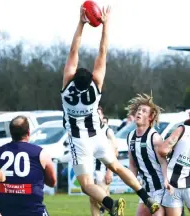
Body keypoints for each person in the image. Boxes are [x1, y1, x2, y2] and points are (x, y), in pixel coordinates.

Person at [61, 6, 159, 215]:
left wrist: (81, 23)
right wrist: (106, 24)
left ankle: (111, 203)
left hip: (79, 142)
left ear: (73, 77)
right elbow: (102, 51)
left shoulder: (67, 87)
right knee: (117, 167)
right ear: (91, 79)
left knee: (86, 184)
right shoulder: (96, 87)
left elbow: (73, 51)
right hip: (98, 136)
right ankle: (147, 198)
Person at [0, 116, 57, 216]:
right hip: (32, 210)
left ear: (11, 133)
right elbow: (53, 182)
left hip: (4, 210)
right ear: (28, 132)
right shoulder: (40, 153)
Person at [126, 94, 166, 216]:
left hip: (160, 189)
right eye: (138, 110)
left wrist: (167, 182)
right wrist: (132, 180)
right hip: (145, 190)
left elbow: (164, 163)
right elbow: (132, 164)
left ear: (150, 117)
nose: (139, 113)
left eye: (144, 111)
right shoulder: (130, 136)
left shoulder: (155, 138)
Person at [89, 107, 118, 216]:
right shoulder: (87, 130)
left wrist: (109, 172)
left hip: (103, 169)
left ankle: (116, 211)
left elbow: (115, 152)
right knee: (92, 199)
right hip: (91, 169)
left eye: (98, 113)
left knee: (101, 198)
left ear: (102, 116)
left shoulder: (107, 131)